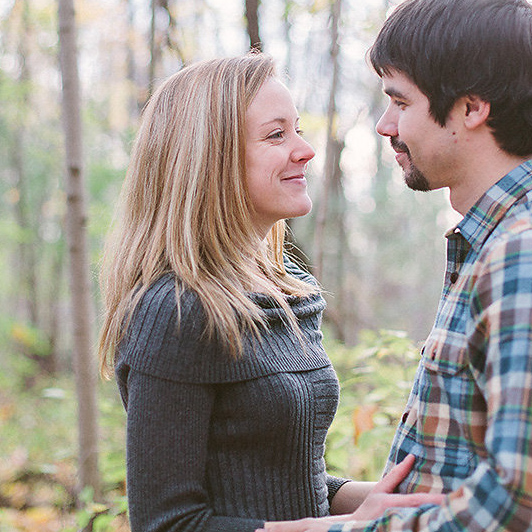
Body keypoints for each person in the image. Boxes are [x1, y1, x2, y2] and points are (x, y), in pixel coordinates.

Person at [263, 0, 532, 532]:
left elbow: (529, 509)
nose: (385, 124)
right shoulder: (502, 243)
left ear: (470, 108)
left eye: (400, 101)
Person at [98, 55, 441, 532]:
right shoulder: (175, 310)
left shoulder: (287, 298)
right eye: (276, 135)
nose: (305, 150)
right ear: (209, 158)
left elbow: (295, 485)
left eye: (297, 130)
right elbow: (167, 524)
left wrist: (398, 498)